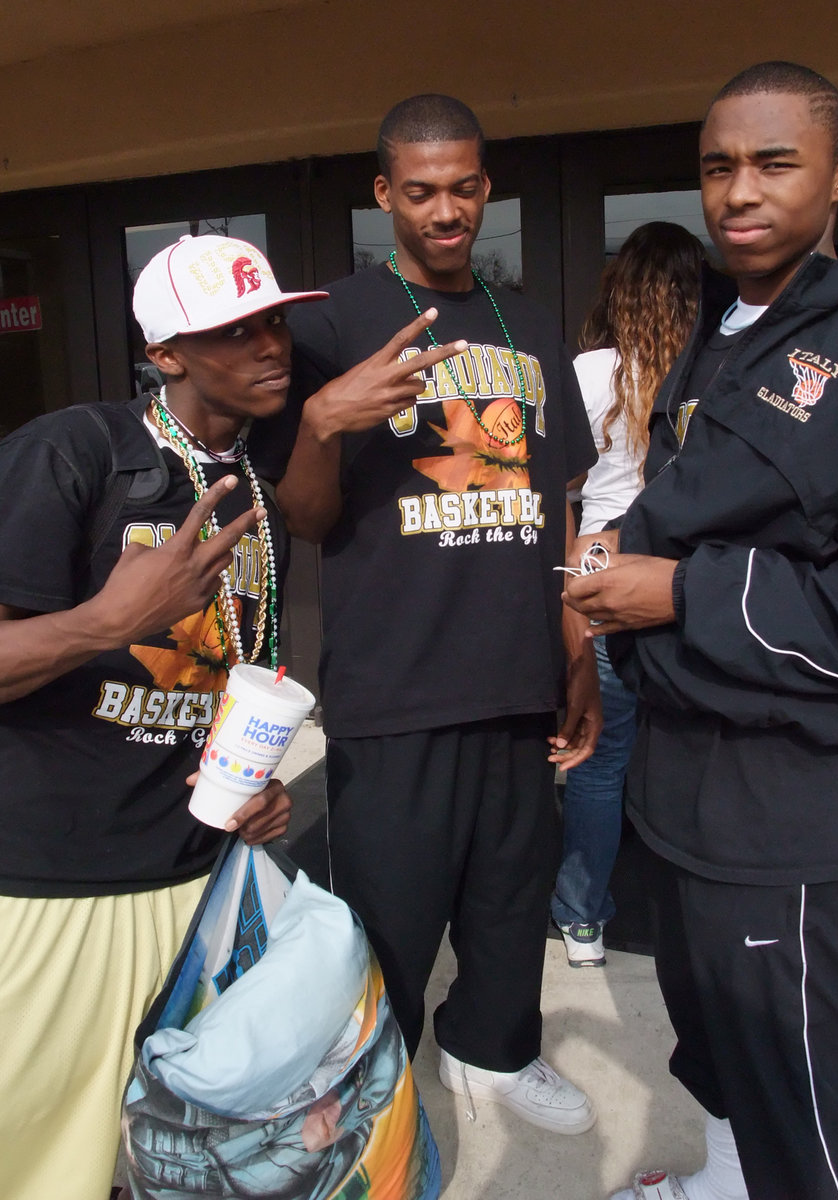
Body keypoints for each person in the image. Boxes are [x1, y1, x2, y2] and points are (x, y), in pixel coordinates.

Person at [564, 61, 838, 1199]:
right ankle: (720, 1180)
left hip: (801, 810)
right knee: (721, 1054)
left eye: (772, 163)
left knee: (811, 1109)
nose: (737, 192)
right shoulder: (720, 327)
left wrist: (683, 594)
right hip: (691, 784)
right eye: (717, 167)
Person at [254, 93, 601, 1135]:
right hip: (395, 682)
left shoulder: (525, 318)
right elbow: (306, 516)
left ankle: (492, 1053)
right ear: (382, 195)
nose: (443, 211)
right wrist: (321, 419)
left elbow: (561, 504)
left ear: (484, 190)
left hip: (514, 670)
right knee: (388, 921)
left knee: (508, 898)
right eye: (419, 192)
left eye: (461, 189)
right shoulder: (329, 325)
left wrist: (574, 652)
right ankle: (371, 1089)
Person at [0, 232, 327, 1200]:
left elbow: (220, 667)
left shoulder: (254, 487)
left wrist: (252, 786)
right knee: (32, 1156)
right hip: (53, 883)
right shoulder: (73, 451)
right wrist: (107, 619)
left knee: (162, 1157)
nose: (270, 344)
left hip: (195, 883)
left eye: (273, 319)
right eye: (233, 329)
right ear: (167, 354)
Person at [553, 222, 704, 968]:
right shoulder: (713, 367)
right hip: (683, 578)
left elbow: (555, 483)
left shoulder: (589, 372)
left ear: (620, 289)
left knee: (599, 757)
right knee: (685, 749)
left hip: (604, 570)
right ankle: (690, 911)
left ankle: (581, 919)